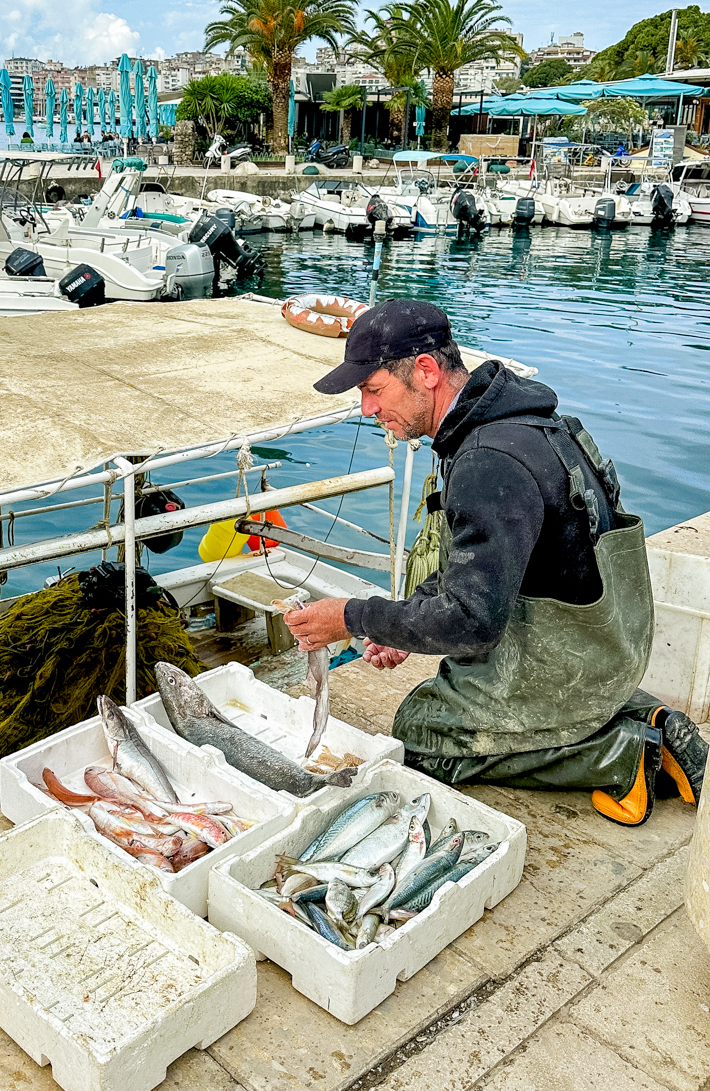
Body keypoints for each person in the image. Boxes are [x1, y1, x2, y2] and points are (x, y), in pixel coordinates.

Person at [283, 298, 707, 827]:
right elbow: (480, 564)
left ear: (427, 371)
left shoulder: (488, 462)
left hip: (580, 655)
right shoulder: (525, 423)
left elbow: (471, 626)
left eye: (373, 389)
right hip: (610, 636)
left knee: (421, 732)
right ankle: (641, 717)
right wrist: (408, 617)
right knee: (448, 681)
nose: (367, 410)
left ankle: (626, 751)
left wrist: (350, 616)